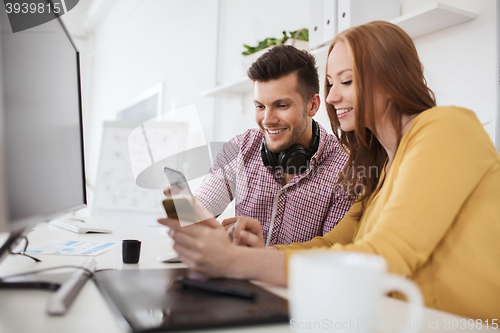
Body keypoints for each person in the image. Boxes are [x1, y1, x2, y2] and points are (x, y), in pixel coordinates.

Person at [159, 21, 500, 320]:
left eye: (347, 81)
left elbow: (380, 259)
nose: (334, 97)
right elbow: (333, 244)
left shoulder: (445, 128)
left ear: (393, 80)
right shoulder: (379, 168)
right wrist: (255, 253)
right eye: (330, 83)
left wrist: (234, 262)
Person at [165, 45, 352, 246]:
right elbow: (202, 209)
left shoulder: (345, 168)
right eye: (260, 106)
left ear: (313, 105)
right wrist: (186, 211)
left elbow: (332, 257)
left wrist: (262, 254)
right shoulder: (241, 148)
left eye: (281, 106)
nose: (267, 120)